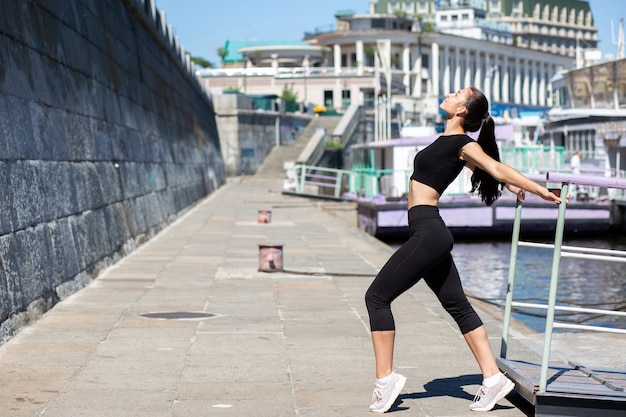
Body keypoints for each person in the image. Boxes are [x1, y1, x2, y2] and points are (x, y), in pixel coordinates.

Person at [364, 87, 561, 413]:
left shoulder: (463, 144)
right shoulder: (449, 144)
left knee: (377, 298)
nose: (449, 94)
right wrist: (509, 186)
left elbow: (495, 167)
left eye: (457, 93)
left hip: (428, 232)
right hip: (427, 231)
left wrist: (537, 189)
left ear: (461, 111)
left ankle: (385, 382)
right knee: (458, 306)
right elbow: (487, 170)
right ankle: (492, 379)